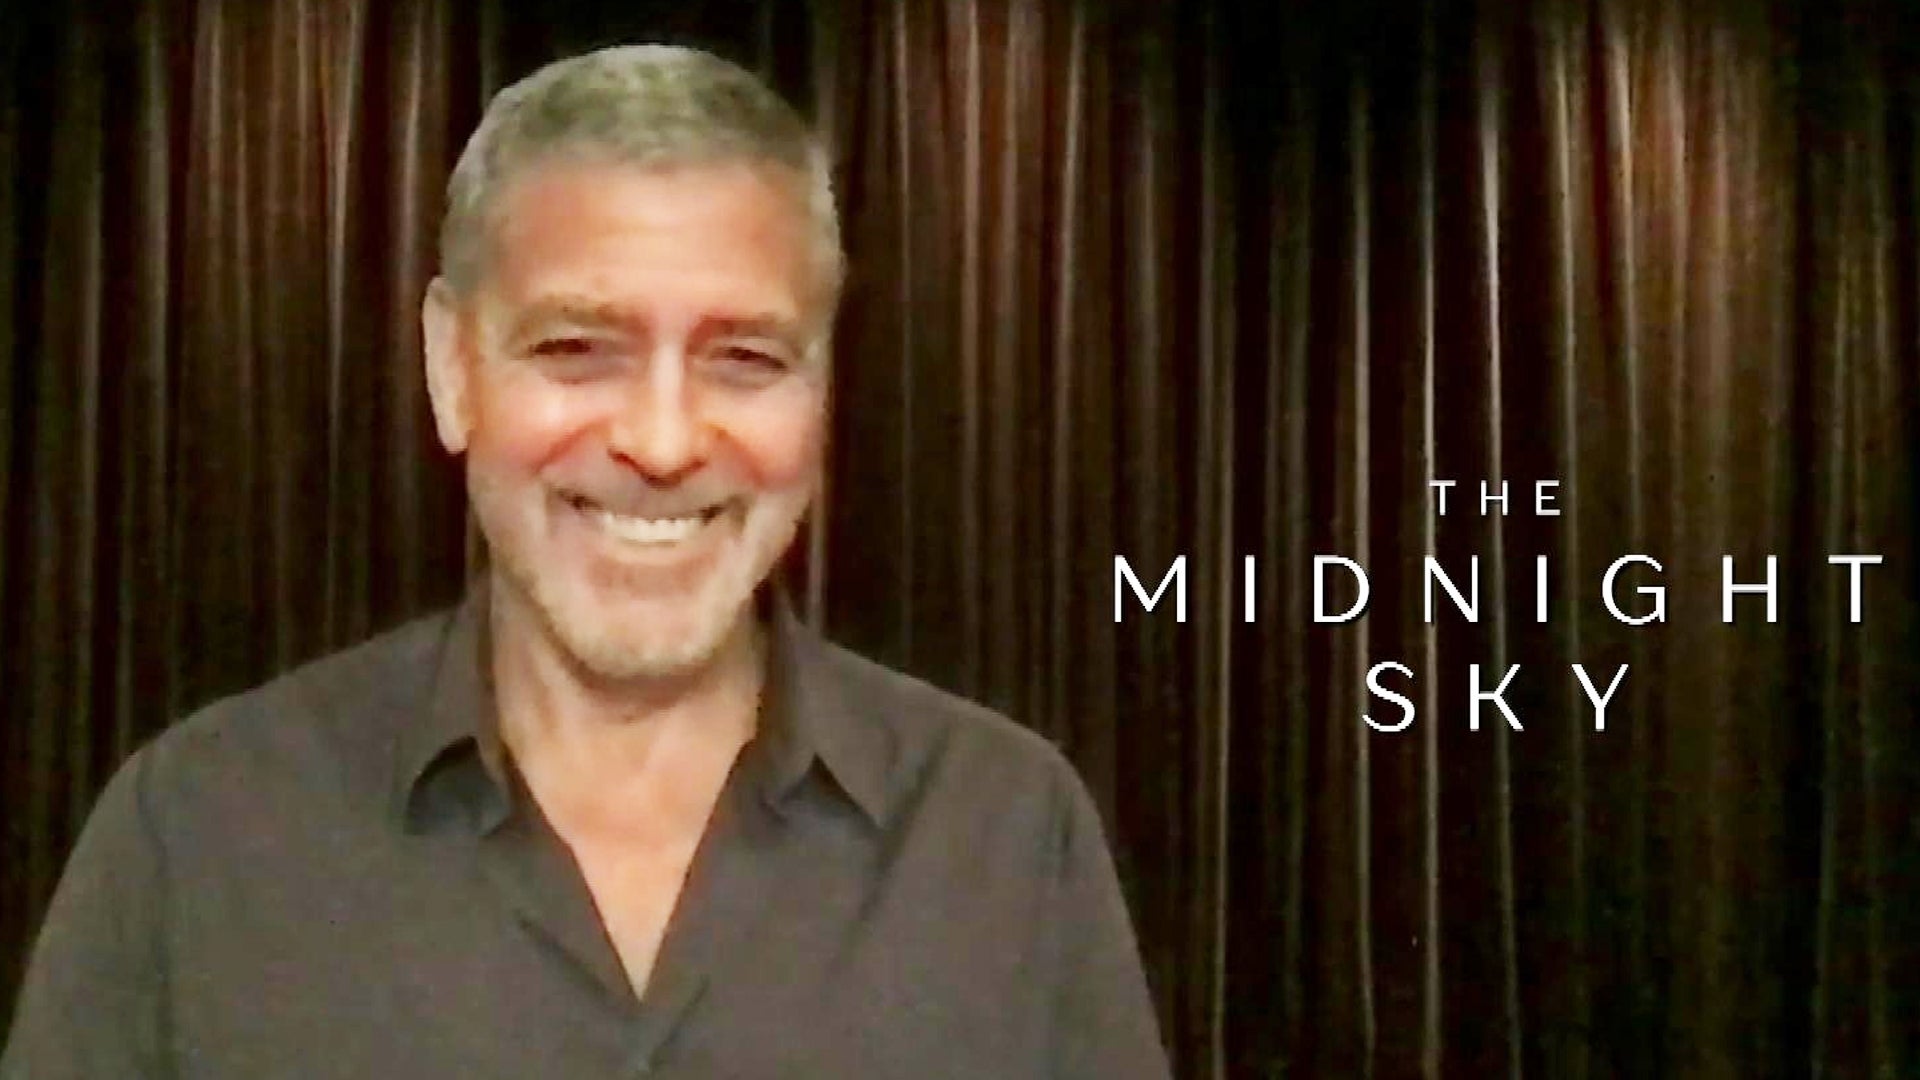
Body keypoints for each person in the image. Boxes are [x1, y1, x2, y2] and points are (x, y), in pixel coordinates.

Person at [2, 44, 1170, 1078]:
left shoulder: (1007, 835)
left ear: (822, 390)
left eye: (746, 359)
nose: (661, 442)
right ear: (451, 368)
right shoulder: (194, 837)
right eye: (575, 349)